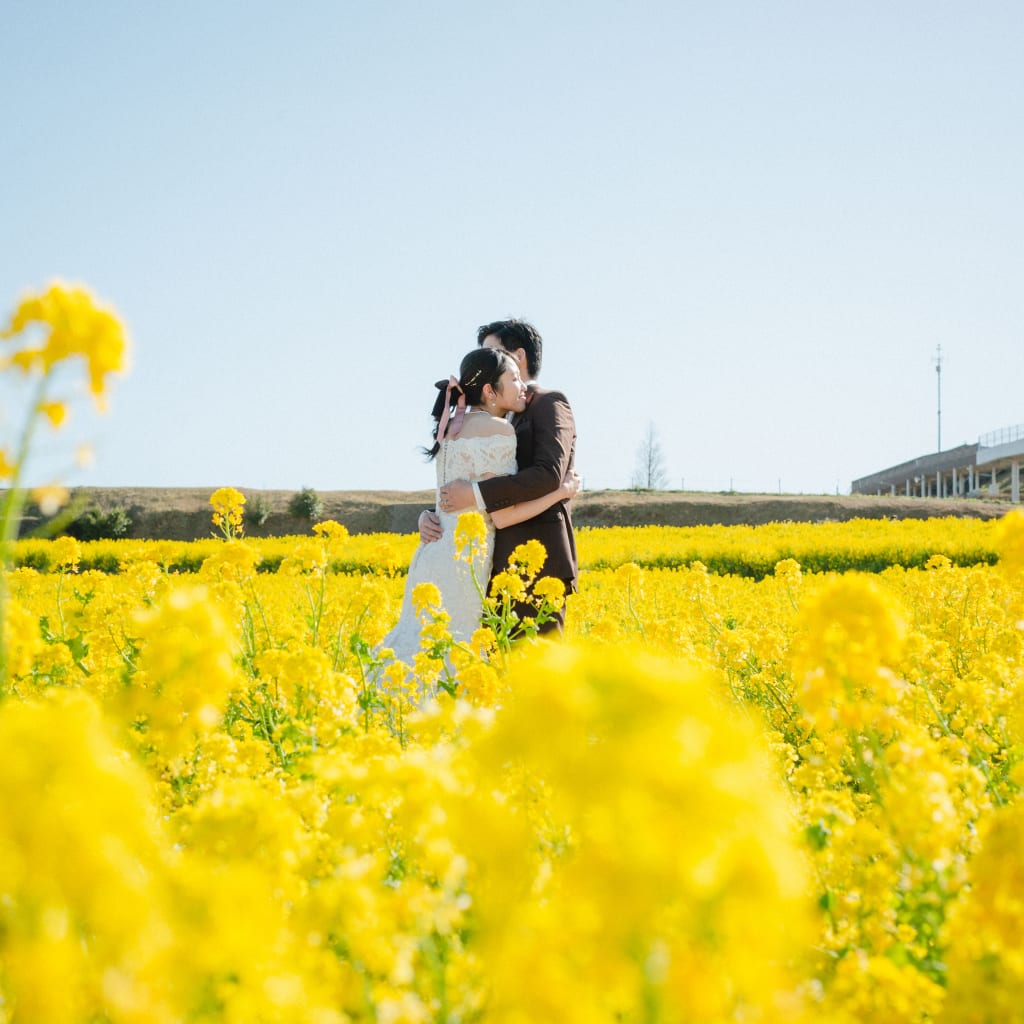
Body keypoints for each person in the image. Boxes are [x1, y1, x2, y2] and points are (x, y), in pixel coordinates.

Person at [382, 346, 578, 667]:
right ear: (489, 391)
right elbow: (502, 516)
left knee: (421, 649)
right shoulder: (499, 430)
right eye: (512, 379)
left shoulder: (450, 429)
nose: (521, 386)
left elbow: (447, 497)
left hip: (432, 555)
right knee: (454, 656)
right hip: (465, 562)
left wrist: (427, 515)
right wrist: (562, 491)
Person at [422, 318, 578, 634]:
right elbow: (460, 480)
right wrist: (430, 515)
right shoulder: (486, 420)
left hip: (536, 562)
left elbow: (548, 474)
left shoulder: (548, 402)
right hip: (486, 564)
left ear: (518, 357)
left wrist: (476, 493)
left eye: (492, 353)